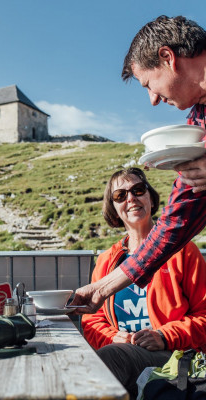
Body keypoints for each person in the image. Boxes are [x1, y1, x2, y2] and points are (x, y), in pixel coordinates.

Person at [71, 15, 206, 314]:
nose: (153, 100)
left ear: (168, 57)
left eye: (148, 84)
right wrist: (102, 288)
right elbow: (175, 222)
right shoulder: (198, 125)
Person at [81, 168, 206, 399]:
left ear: (150, 198)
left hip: (173, 354)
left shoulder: (184, 251)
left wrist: (164, 336)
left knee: (111, 359)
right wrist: (112, 337)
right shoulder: (107, 260)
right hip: (122, 351)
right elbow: (92, 319)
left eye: (138, 190)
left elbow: (204, 315)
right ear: (114, 208)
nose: (131, 198)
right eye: (120, 195)